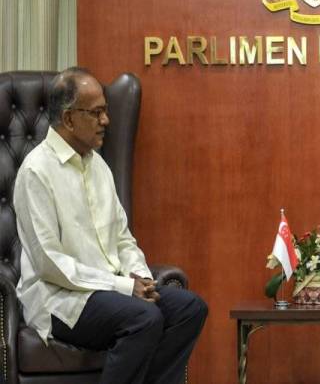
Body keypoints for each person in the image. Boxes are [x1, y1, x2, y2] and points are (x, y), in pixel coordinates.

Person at [14, 67, 208, 384]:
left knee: (190, 308)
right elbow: (51, 264)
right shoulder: (36, 171)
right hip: (60, 299)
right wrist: (123, 286)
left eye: (105, 111)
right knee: (143, 318)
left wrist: (141, 277)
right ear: (69, 118)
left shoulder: (98, 166)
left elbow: (122, 238)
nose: (106, 120)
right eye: (97, 112)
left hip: (111, 291)